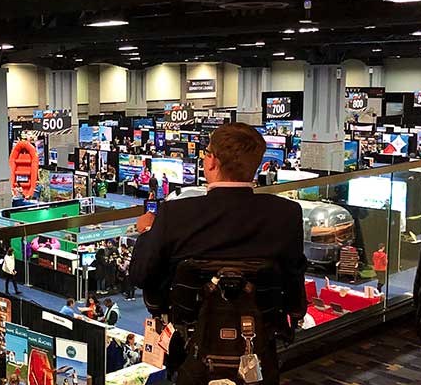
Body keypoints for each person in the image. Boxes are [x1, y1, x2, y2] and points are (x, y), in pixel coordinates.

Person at [130, 122, 307, 364]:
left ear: (211, 162)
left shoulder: (175, 213)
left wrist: (147, 231)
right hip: (261, 340)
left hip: (189, 346)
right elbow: (293, 277)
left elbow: (141, 275)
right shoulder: (287, 214)